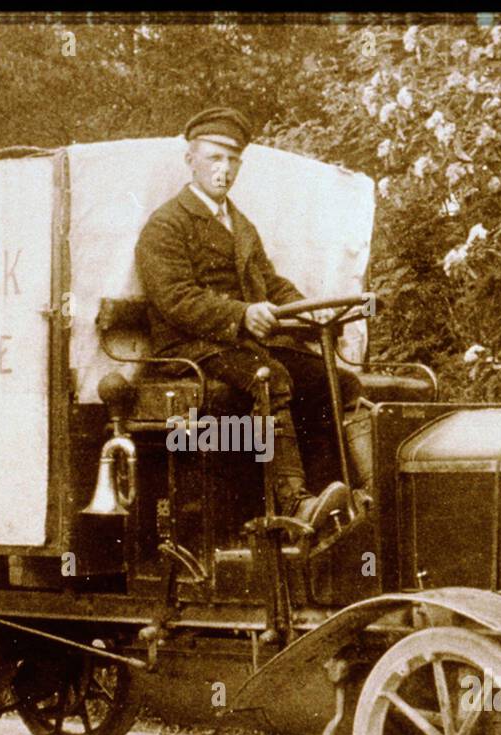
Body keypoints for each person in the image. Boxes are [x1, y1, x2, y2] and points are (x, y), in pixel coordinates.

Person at [134, 107, 360, 535]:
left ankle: (343, 493)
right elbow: (176, 299)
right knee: (268, 377)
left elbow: (270, 283)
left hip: (239, 344)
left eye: (233, 159)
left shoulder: (240, 224)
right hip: (191, 349)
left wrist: (310, 308)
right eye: (214, 158)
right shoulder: (166, 226)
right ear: (191, 160)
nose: (224, 170)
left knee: (331, 379)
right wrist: (241, 315)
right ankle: (293, 501)